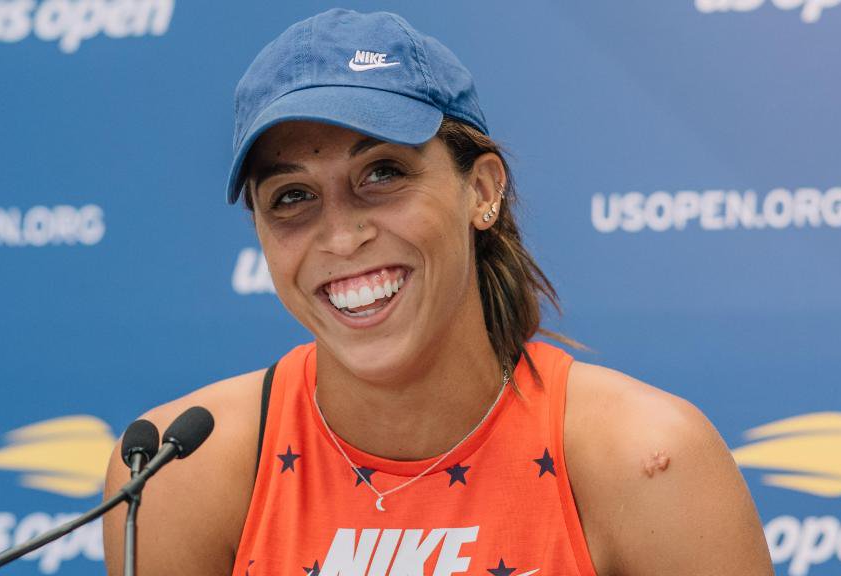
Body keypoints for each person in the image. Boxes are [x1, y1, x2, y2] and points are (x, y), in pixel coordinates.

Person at [103, 8, 773, 575]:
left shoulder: (649, 461)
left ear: (481, 191)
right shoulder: (177, 471)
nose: (340, 236)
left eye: (382, 173)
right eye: (293, 197)